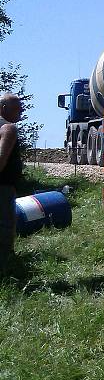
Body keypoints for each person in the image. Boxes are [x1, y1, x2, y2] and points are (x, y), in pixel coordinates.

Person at [0, 93, 23, 267]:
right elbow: (1, 159)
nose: (21, 113)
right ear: (3, 109)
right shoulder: (8, 128)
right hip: (3, 186)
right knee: (5, 226)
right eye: (17, 109)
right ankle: (7, 265)